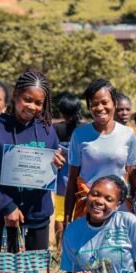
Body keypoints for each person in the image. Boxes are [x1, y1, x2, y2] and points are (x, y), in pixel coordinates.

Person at [0, 69, 65, 251]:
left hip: (38, 217)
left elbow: (49, 169)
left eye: (38, 103)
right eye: (27, 99)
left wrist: (56, 165)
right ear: (15, 95)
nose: (32, 106)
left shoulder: (47, 130)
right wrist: (7, 206)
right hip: (3, 218)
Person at [64, 79, 136, 223]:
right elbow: (72, 180)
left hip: (120, 211)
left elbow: (134, 178)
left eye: (105, 102)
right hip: (88, 211)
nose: (100, 108)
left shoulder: (128, 134)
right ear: (88, 107)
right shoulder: (79, 135)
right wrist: (67, 219)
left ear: (114, 104)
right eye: (94, 104)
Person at [54, 93, 85, 251]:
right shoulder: (84, 129)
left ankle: (60, 248)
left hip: (61, 180)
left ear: (61, 111)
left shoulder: (56, 128)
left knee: (60, 214)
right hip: (82, 181)